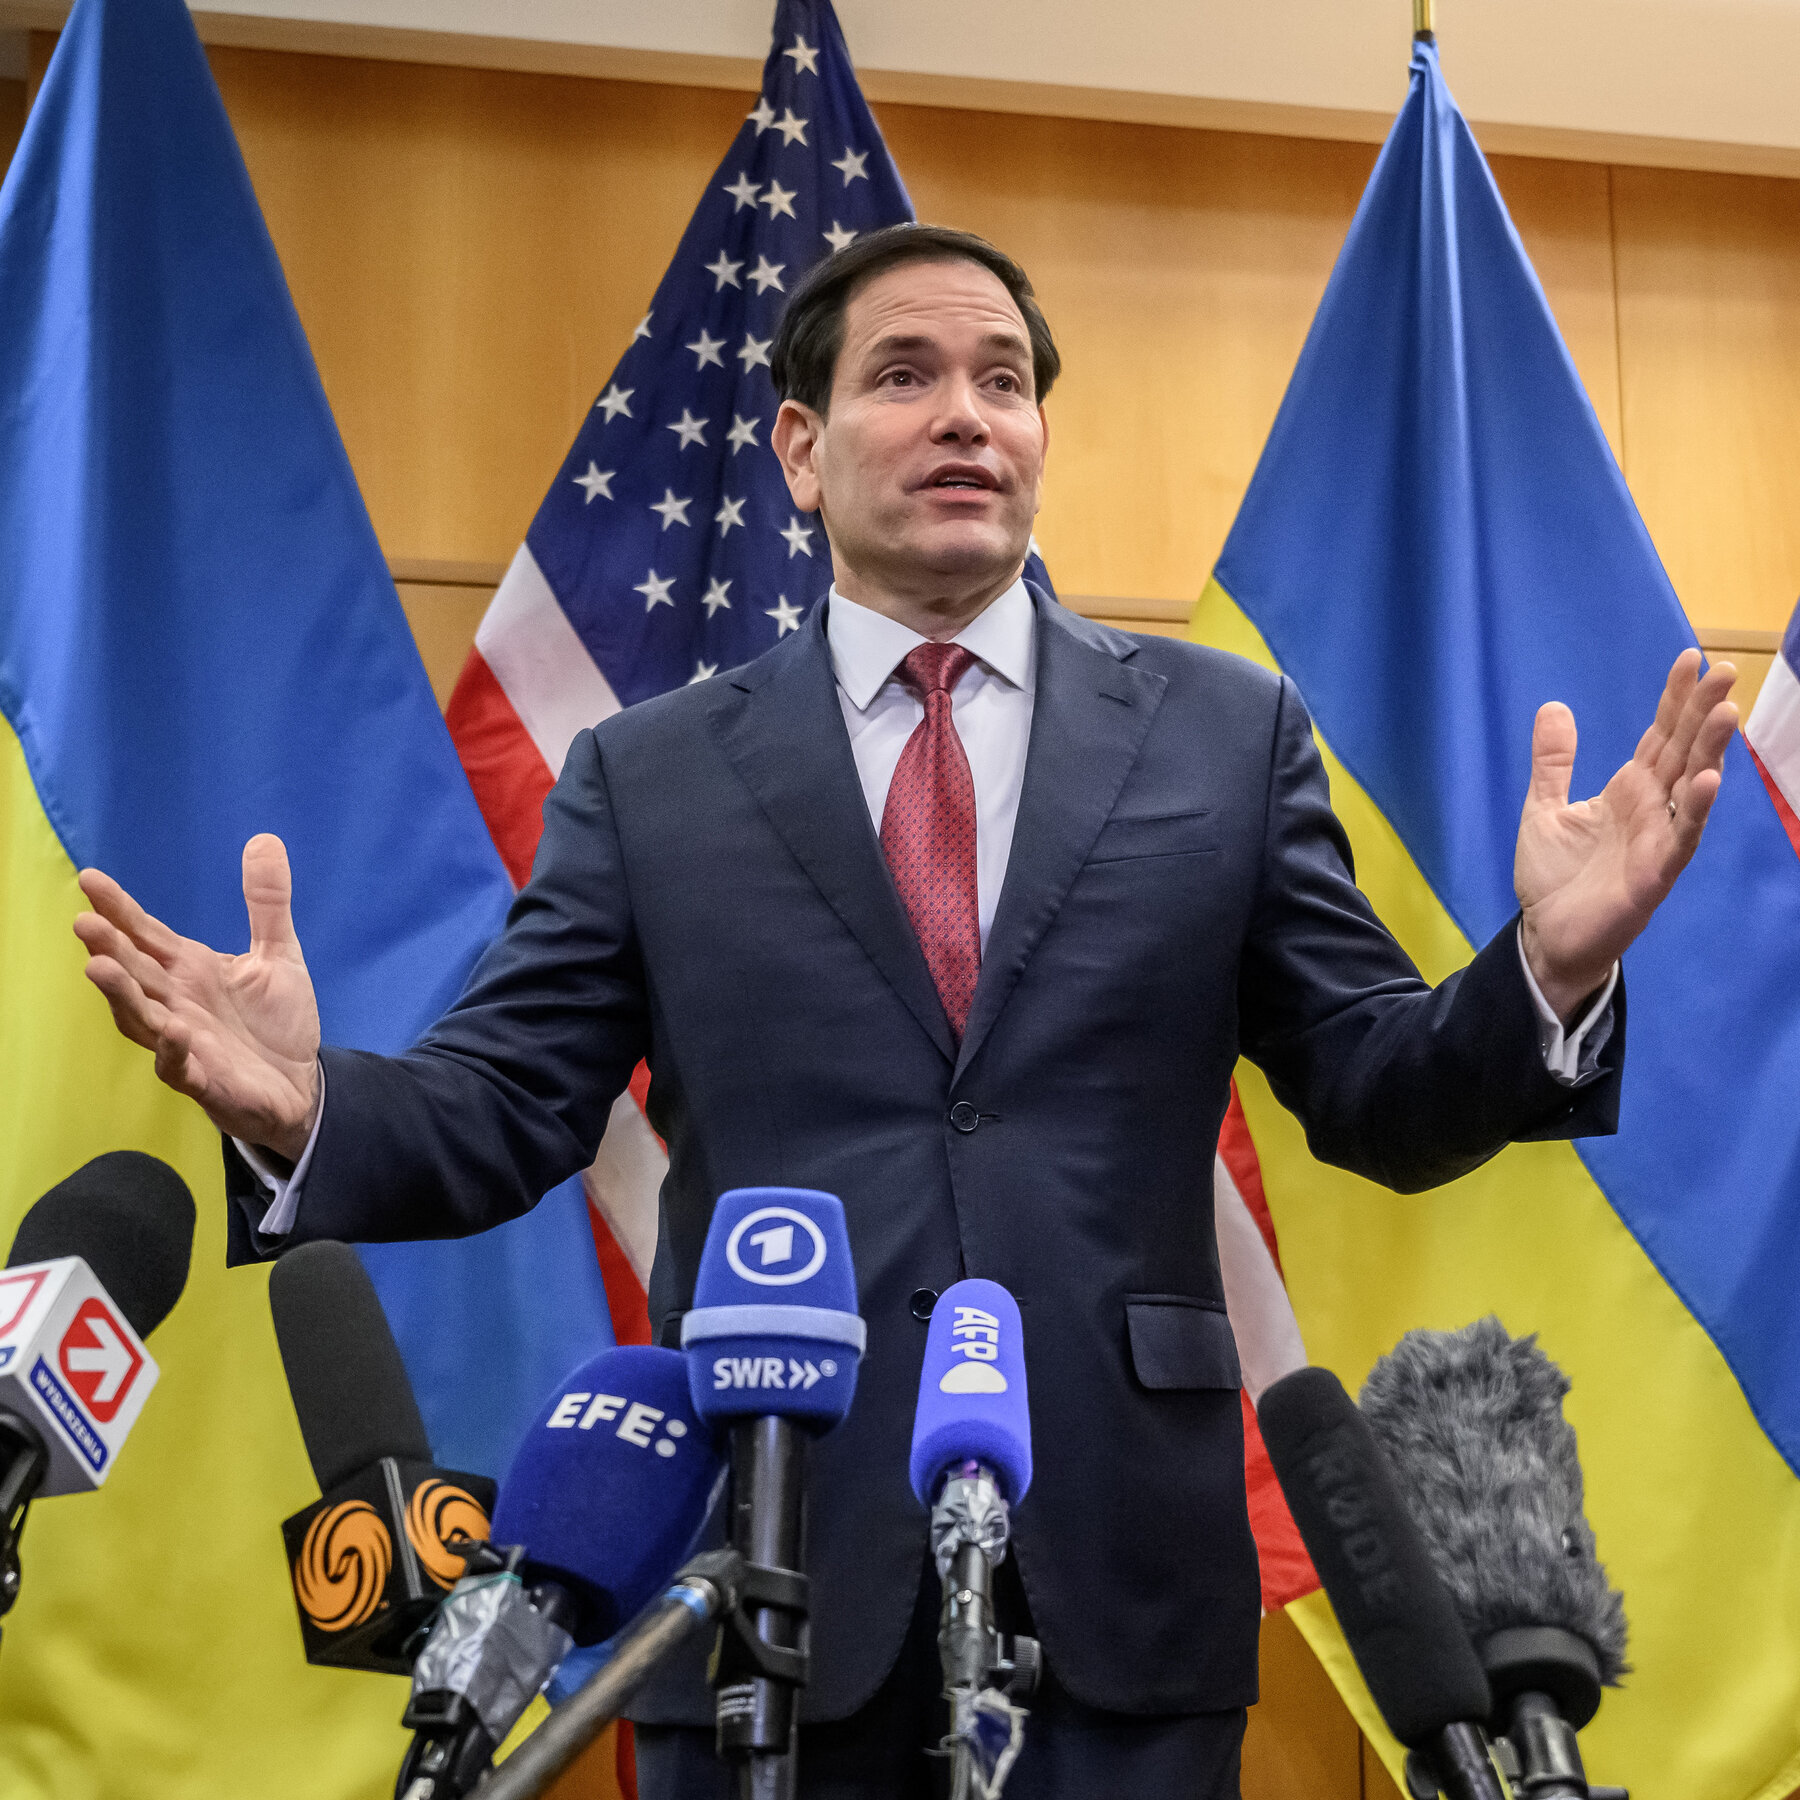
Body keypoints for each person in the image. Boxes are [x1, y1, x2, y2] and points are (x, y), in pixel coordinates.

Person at [74, 225, 1737, 1798]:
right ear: (800, 452)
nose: (966, 415)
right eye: (906, 375)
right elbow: (508, 1102)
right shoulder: (651, 777)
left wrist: (1549, 970)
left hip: (1124, 1577)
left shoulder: (1227, 737)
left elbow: (1377, 1088)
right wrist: (311, 1106)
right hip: (765, 1572)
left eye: (1004, 380)